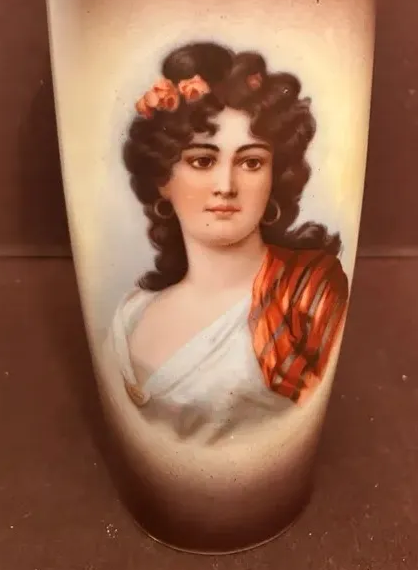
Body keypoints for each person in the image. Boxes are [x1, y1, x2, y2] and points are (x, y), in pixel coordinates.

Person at [110, 41, 348, 442]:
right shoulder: (131, 314)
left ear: (274, 177)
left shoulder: (307, 296)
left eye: (251, 162)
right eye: (202, 161)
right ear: (163, 179)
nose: (226, 185)